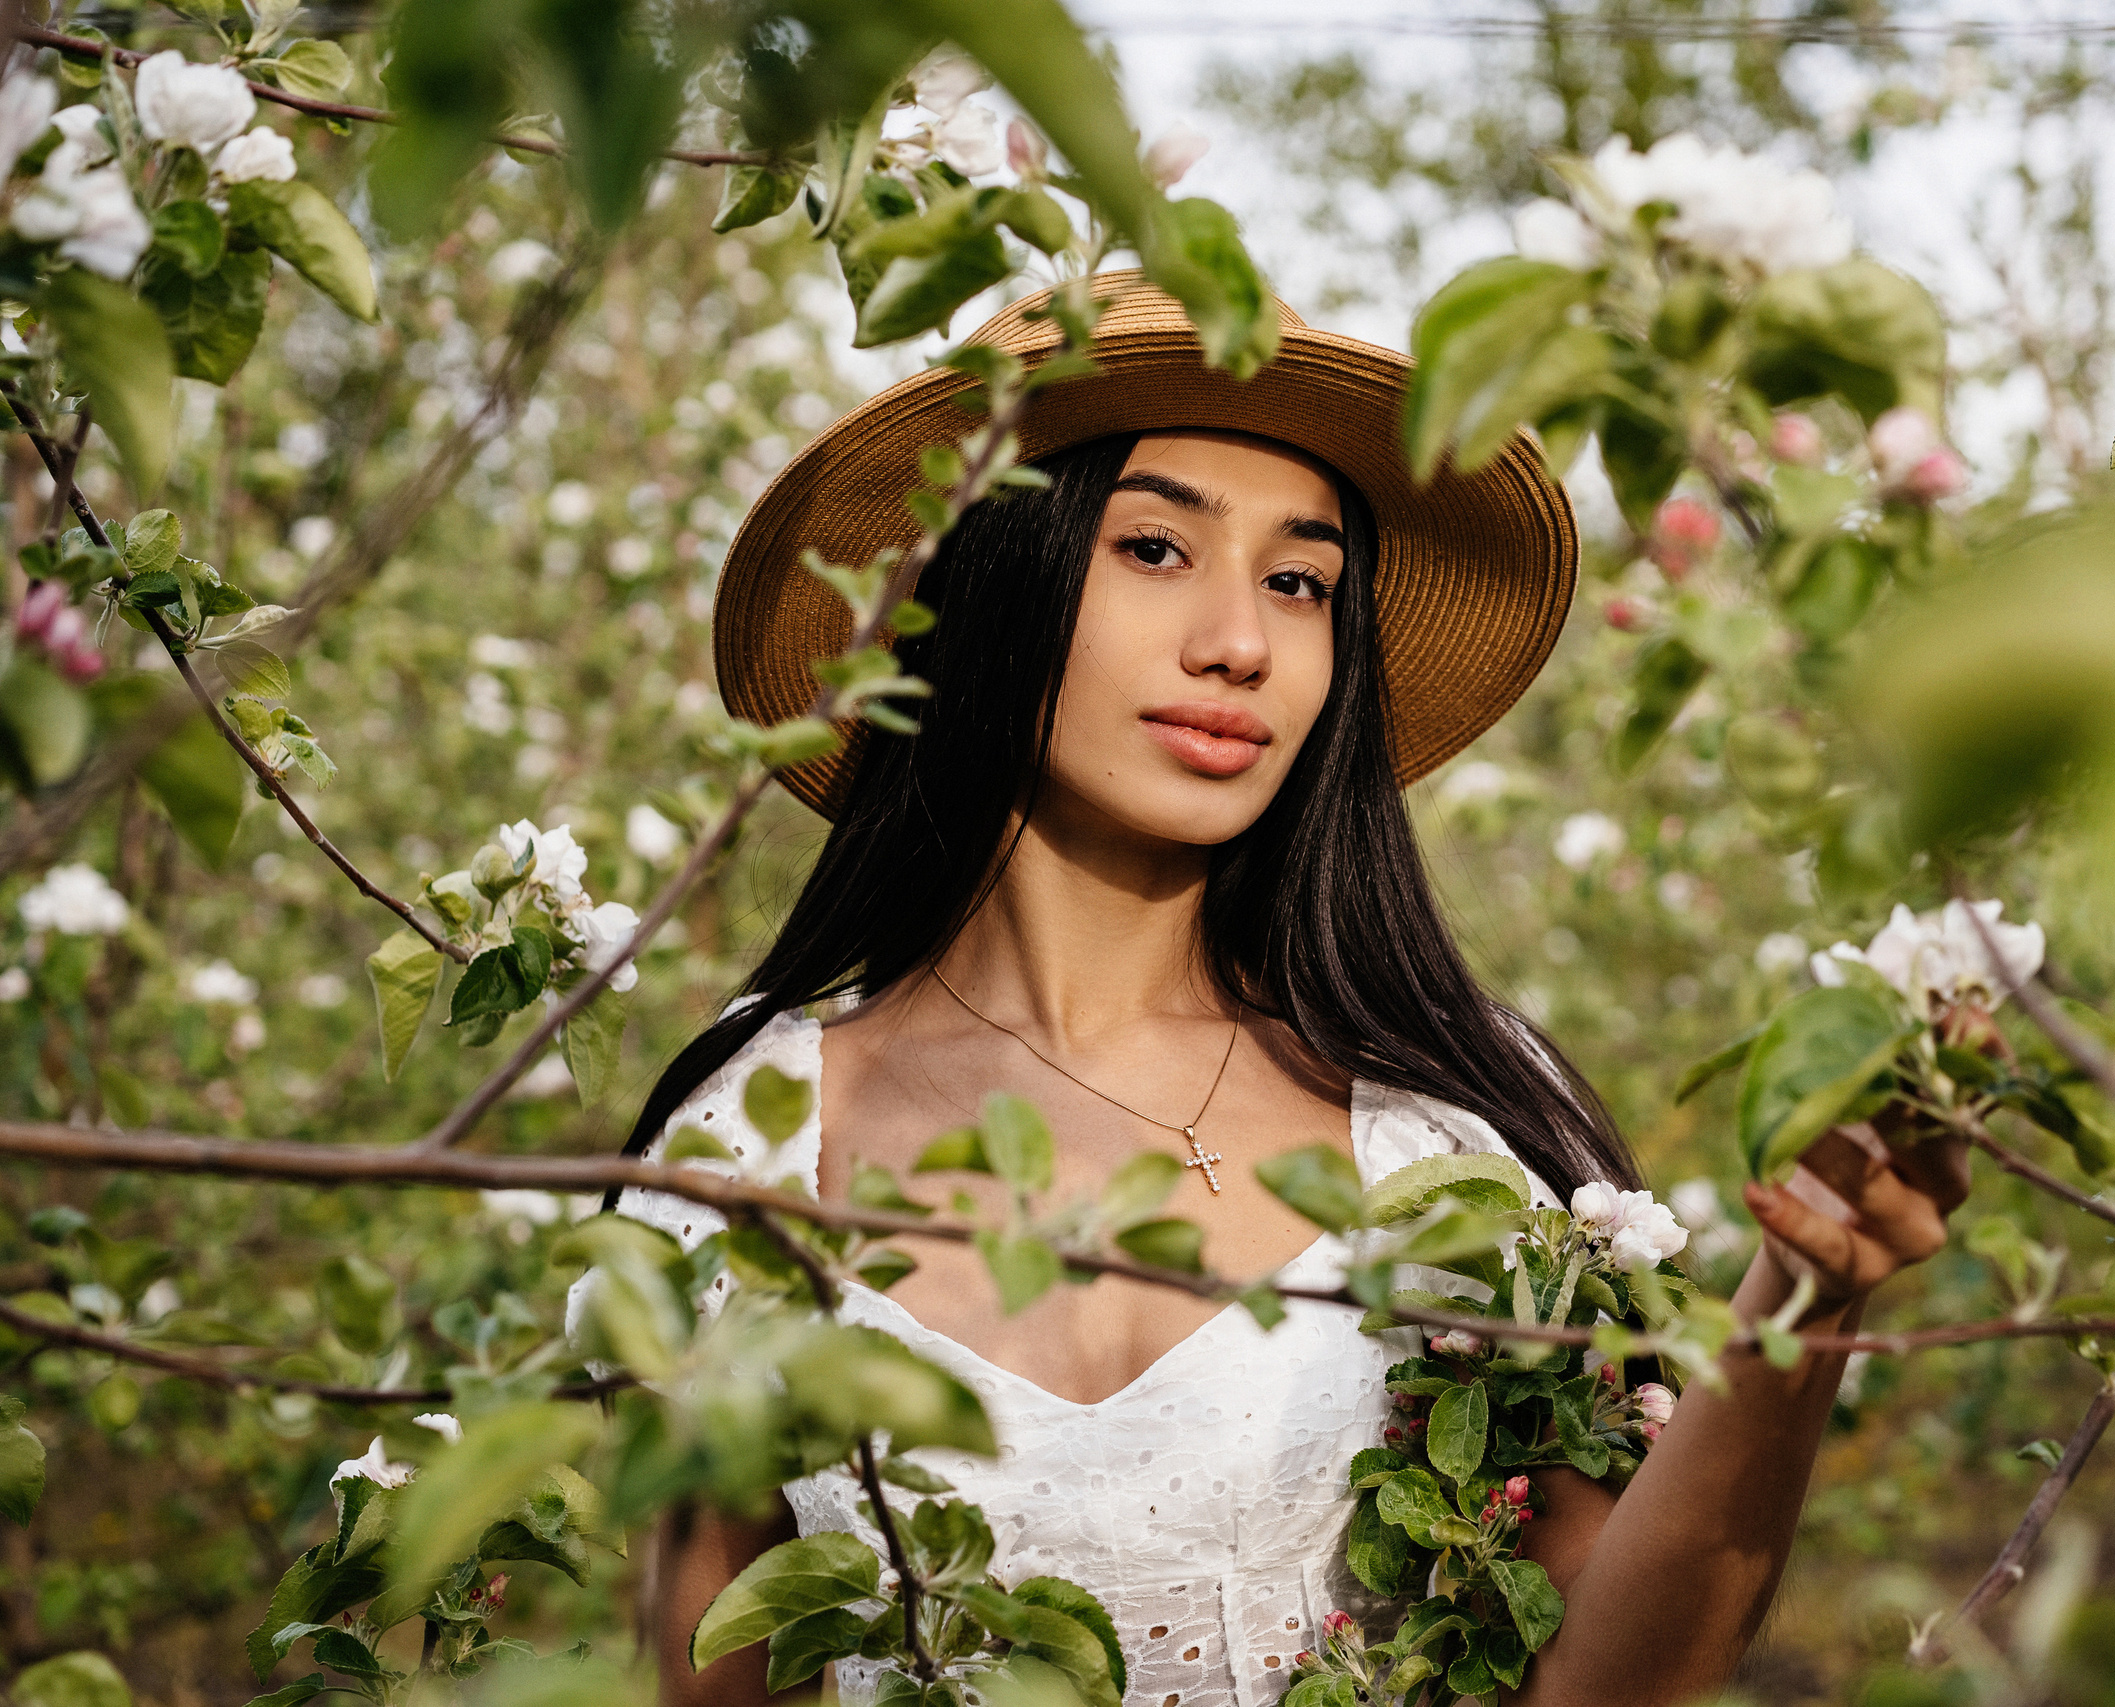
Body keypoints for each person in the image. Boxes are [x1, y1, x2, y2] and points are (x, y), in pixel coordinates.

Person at [621, 275, 1968, 1706]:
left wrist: (1802, 1299)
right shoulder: (753, 1136)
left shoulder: (1440, 1126)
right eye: (1153, 548)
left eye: (1299, 582)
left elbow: (1604, 1689)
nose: (1242, 645)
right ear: (988, 587)